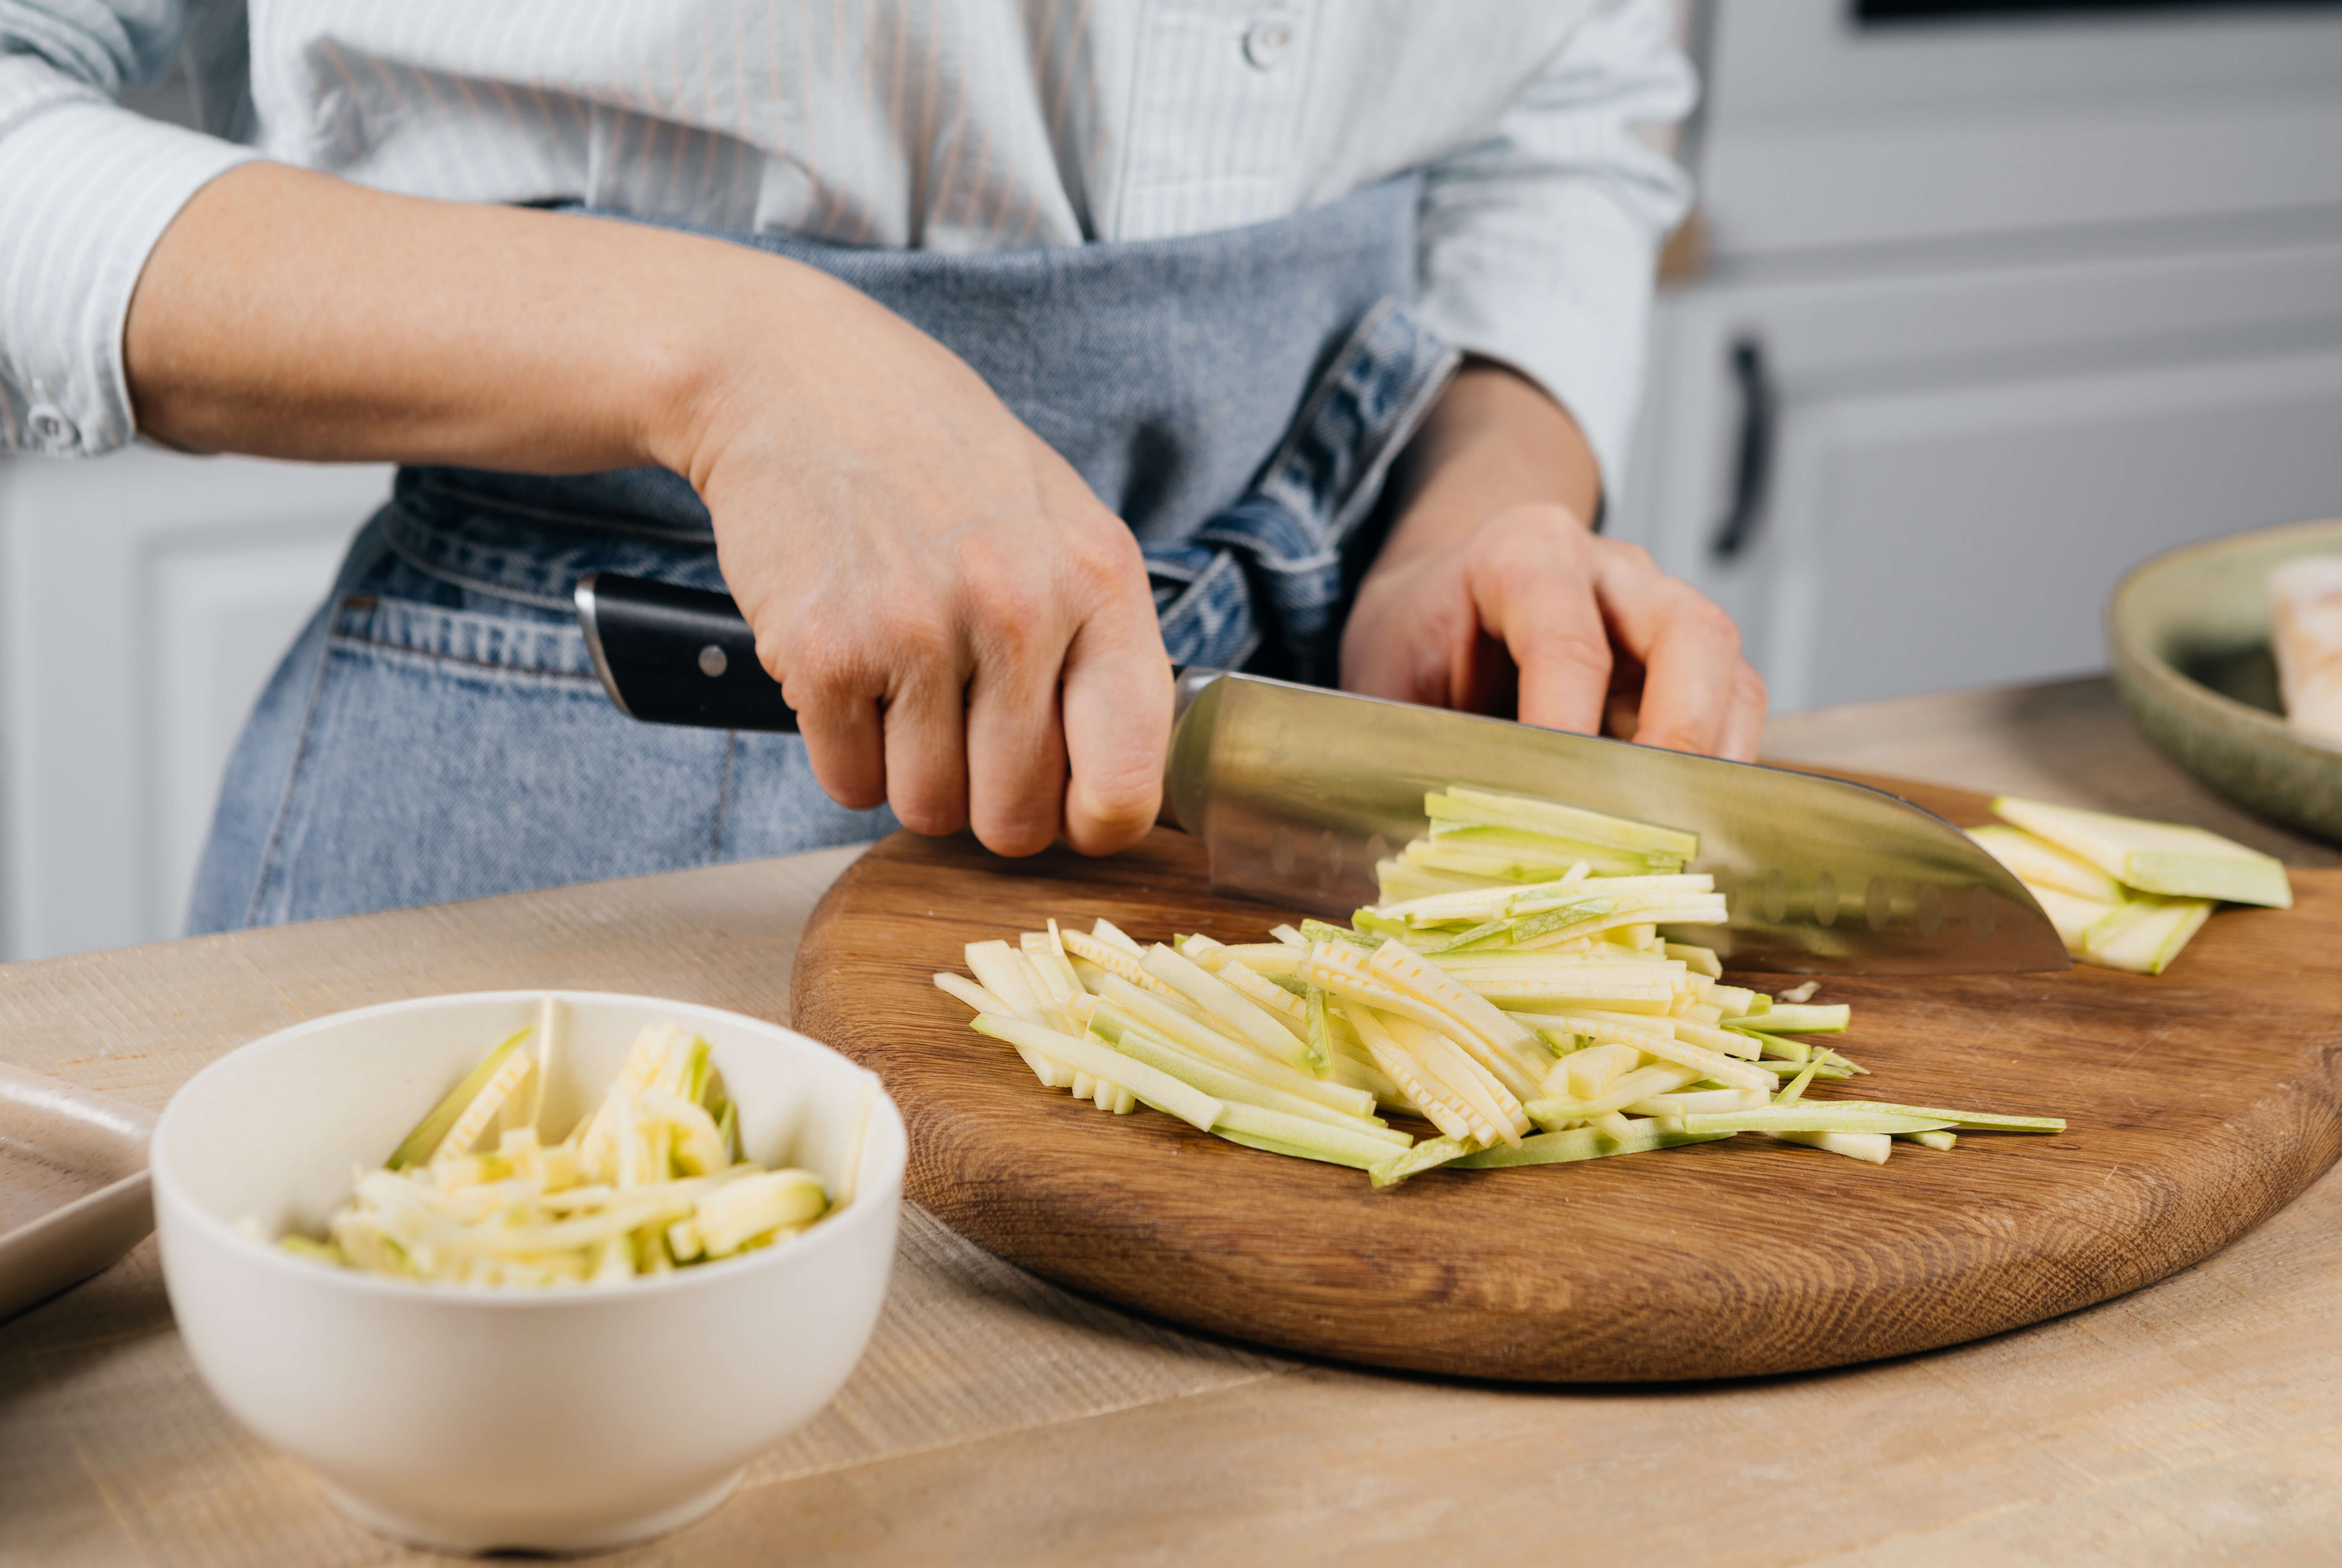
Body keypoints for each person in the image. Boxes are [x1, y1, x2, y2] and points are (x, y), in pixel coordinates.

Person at [0, 0, 1766, 934]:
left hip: (1295, 818)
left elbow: (1565, 98)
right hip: (586, 795)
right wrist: (728, 363)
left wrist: (1468, 513)